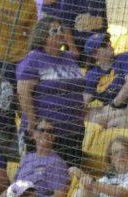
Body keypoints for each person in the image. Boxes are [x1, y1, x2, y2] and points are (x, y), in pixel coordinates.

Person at [16, 17, 86, 166]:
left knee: (70, 176)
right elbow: (23, 93)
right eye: (54, 31)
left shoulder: (69, 58)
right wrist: (33, 123)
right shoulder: (33, 59)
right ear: (43, 36)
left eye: (61, 30)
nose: (60, 34)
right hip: (46, 134)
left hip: (74, 131)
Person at [83, 31, 128, 129]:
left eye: (108, 41)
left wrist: (114, 103)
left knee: (97, 120)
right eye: (104, 45)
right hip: (109, 109)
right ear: (95, 54)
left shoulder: (126, 58)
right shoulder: (92, 73)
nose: (109, 44)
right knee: (87, 116)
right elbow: (85, 99)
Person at [16, 118, 71, 197]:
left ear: (53, 137)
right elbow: (13, 186)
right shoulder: (27, 158)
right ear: (33, 135)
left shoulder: (56, 163)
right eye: (41, 130)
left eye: (50, 131)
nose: (45, 134)